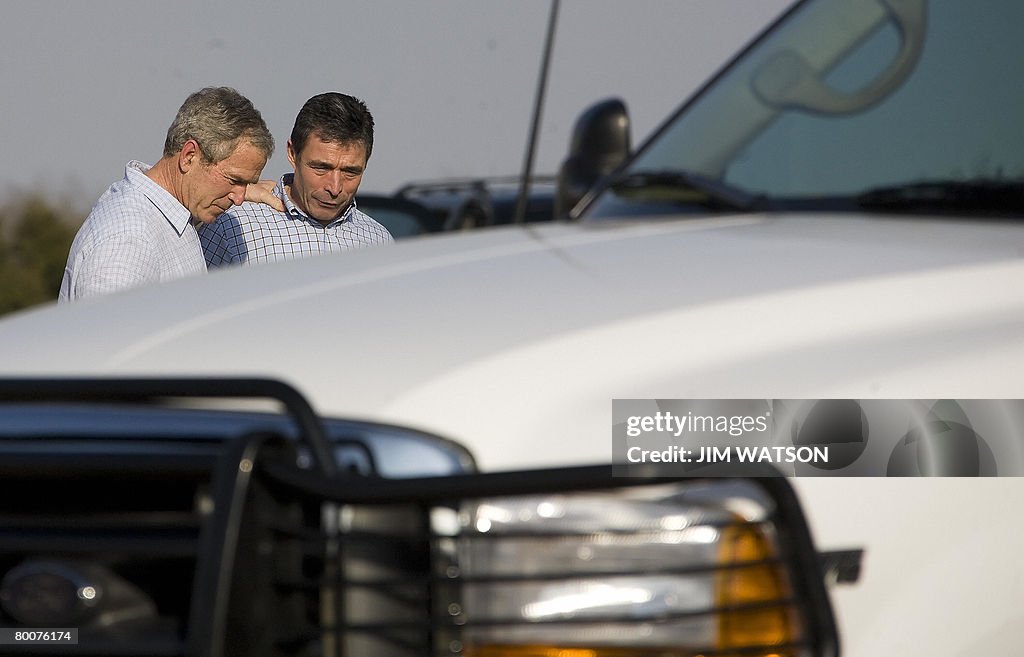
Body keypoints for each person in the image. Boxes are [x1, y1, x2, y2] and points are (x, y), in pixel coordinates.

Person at [59, 86, 276, 303]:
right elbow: (110, 335)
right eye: (235, 180)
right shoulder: (128, 239)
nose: (239, 198)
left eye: (247, 184)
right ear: (189, 156)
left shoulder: (170, 215)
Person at [200, 92, 392, 267]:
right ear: (293, 154)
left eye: (350, 172)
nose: (335, 188)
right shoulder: (232, 225)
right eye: (321, 168)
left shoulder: (379, 241)